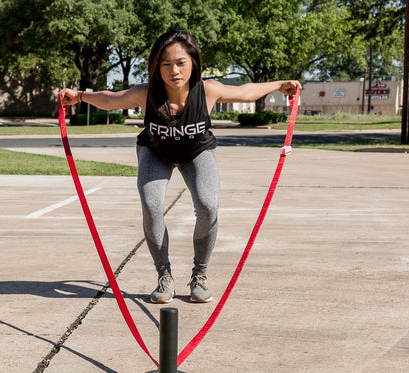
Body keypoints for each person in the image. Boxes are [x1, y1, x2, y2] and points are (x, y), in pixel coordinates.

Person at [60, 30, 300, 304]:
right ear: (156, 66)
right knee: (151, 205)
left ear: (193, 62)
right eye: (166, 63)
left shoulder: (207, 91)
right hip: (155, 152)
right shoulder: (146, 93)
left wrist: (279, 84)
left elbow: (244, 92)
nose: (174, 70)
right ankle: (164, 276)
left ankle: (199, 275)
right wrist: (79, 95)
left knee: (208, 205)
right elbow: (110, 99)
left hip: (197, 152)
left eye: (181, 62)